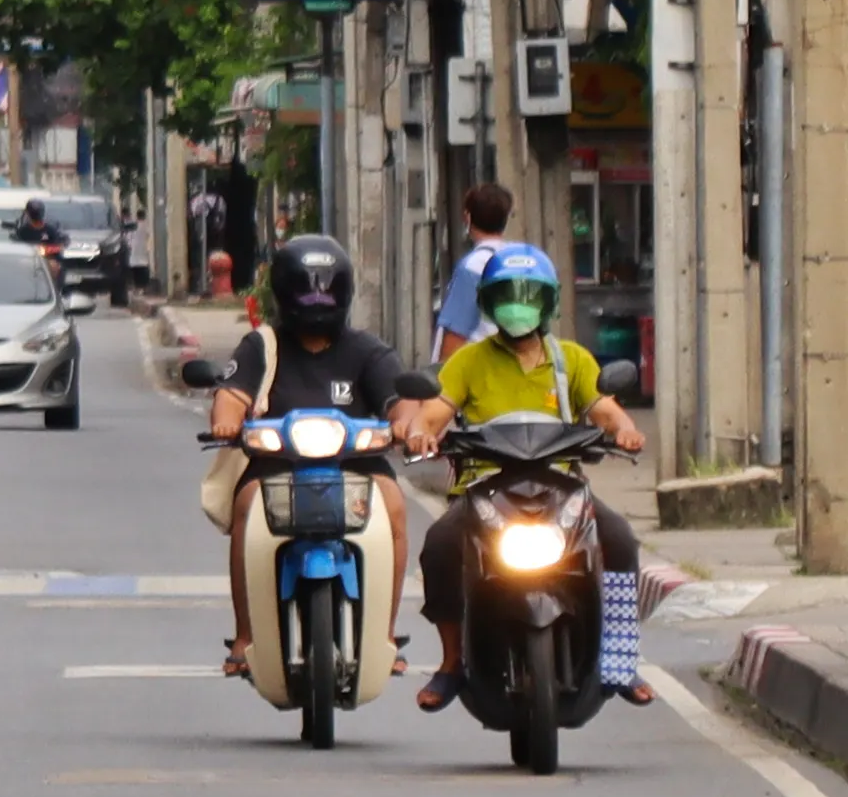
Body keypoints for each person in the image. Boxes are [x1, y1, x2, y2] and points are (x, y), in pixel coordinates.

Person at [417, 240, 649, 709]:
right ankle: (451, 662)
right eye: (506, 294)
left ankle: (621, 662)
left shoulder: (571, 360)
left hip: (560, 488)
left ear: (547, 303)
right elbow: (435, 411)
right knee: (439, 546)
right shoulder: (469, 361)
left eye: (528, 295)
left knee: (621, 540)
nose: (517, 305)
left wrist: (624, 430)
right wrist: (422, 433)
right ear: (488, 303)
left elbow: (604, 408)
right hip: (484, 490)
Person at [207, 231, 429, 678]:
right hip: (278, 467)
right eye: (305, 287)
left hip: (357, 466)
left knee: (394, 506)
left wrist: (409, 424)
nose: (316, 298)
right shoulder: (261, 347)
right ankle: (246, 636)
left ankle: (385, 633)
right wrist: (227, 420)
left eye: (326, 287)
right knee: (247, 506)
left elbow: (400, 400)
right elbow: (231, 395)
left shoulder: (367, 350)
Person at [430, 178, 518, 353]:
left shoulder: (474, 266)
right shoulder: (517, 262)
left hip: (477, 371)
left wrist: (442, 377)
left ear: (467, 217)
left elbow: (455, 335)